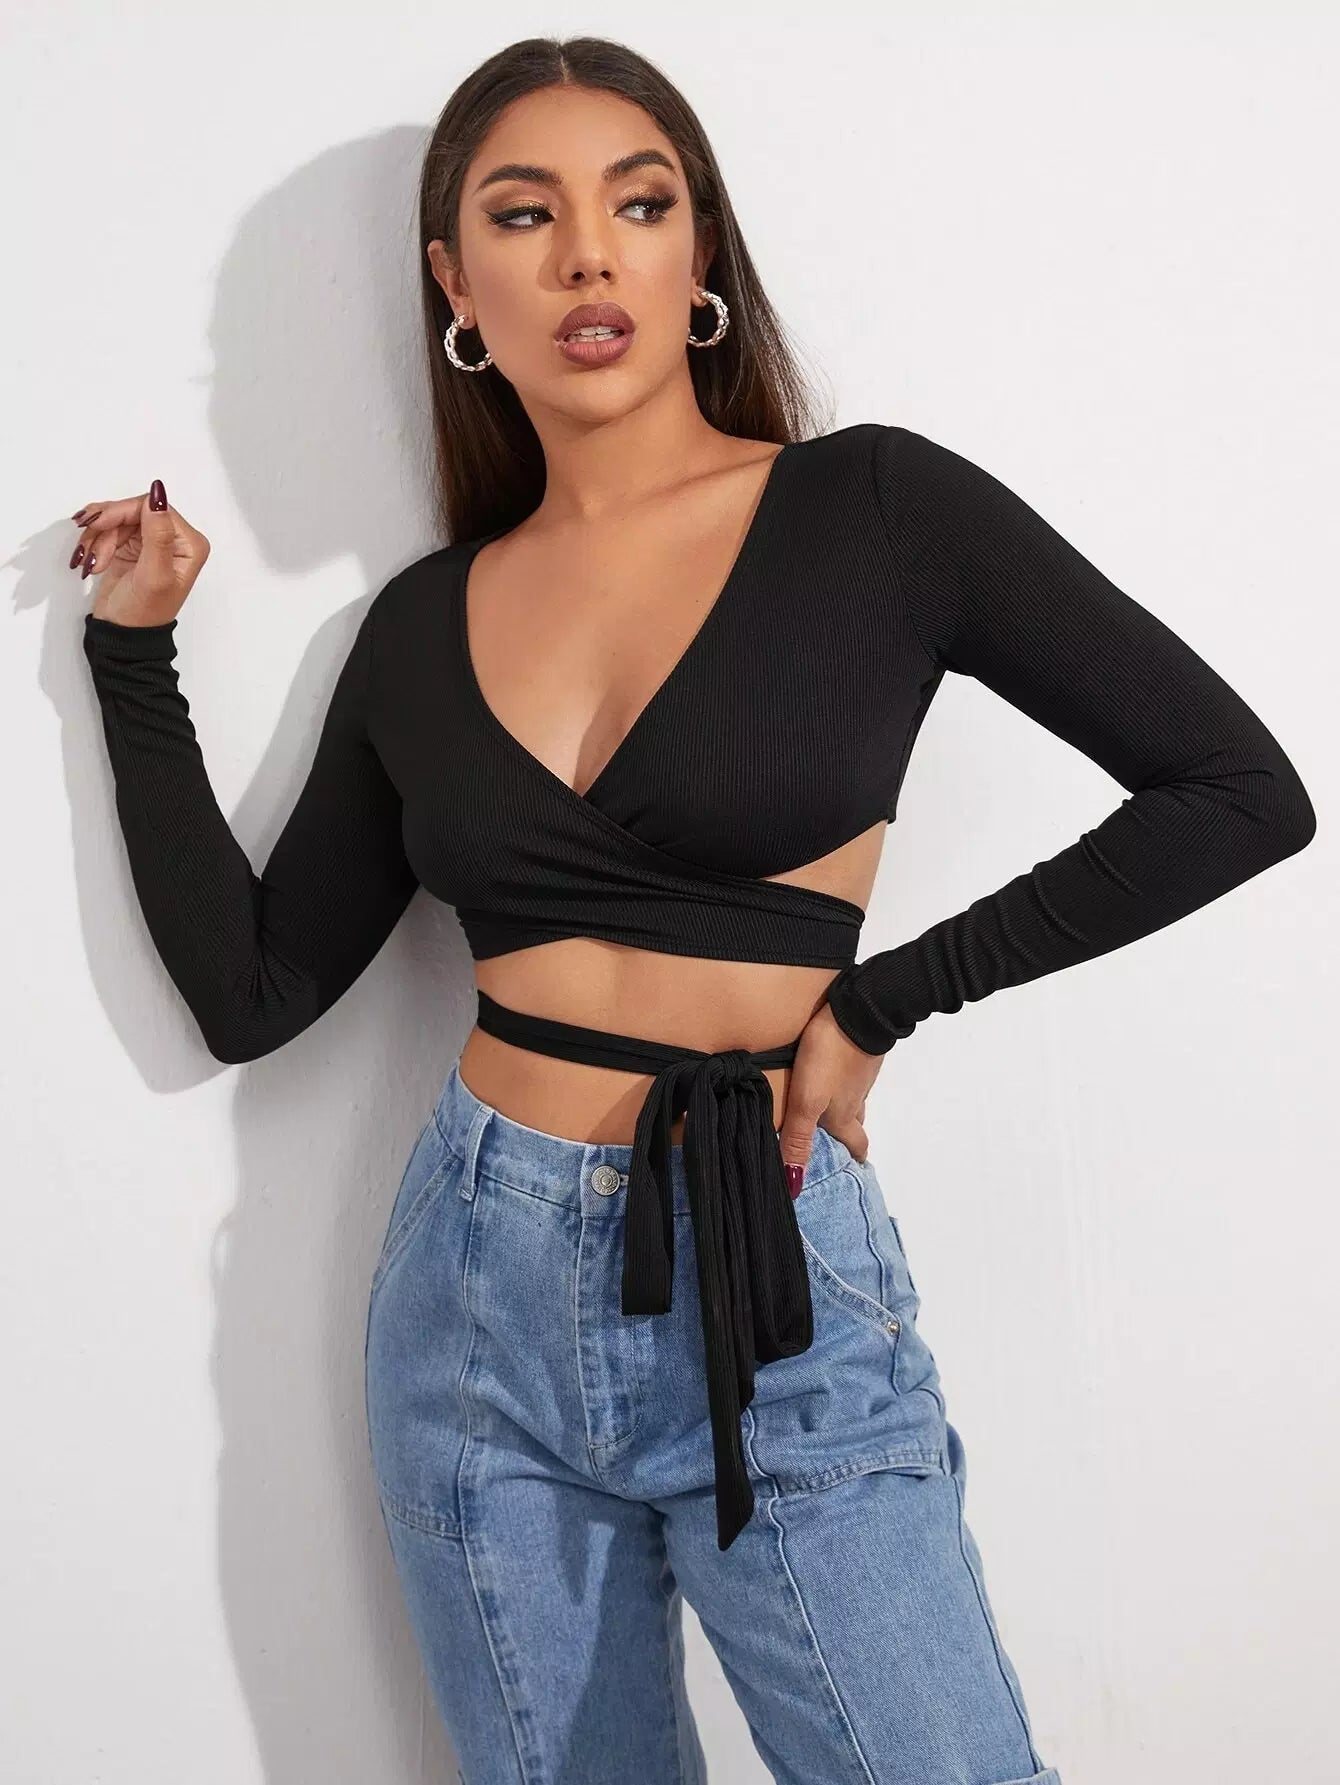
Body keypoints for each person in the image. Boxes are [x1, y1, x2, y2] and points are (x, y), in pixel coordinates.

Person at [73, 35, 1314, 1785]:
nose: (589, 254)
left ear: (700, 250)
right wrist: (133, 663)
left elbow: (1238, 790)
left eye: (639, 205)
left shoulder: (874, 511)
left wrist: (882, 1001)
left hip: (771, 1265)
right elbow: (252, 989)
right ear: (457, 286)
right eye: (526, 216)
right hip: (474, 1296)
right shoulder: (420, 626)